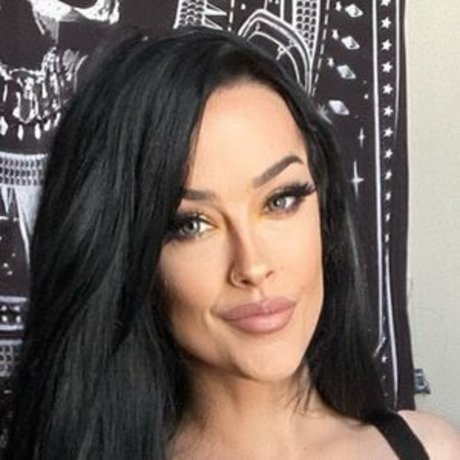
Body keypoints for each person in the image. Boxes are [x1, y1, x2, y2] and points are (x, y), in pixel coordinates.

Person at [2, 27, 459, 460]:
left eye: (281, 200)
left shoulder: (432, 450)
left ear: (324, 210)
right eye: (191, 225)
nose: (253, 265)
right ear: (128, 256)